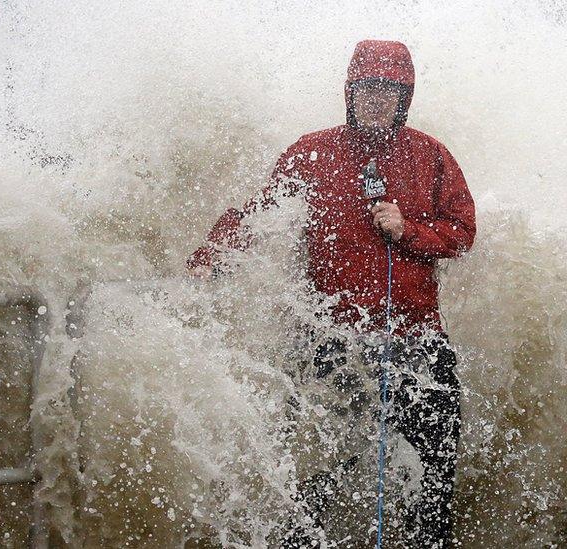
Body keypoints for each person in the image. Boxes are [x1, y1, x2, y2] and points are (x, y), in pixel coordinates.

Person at [187, 39, 476, 548]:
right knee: (315, 469)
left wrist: (407, 228)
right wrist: (211, 257)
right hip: (330, 342)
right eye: (366, 89)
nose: (376, 100)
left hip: (414, 342)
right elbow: (260, 215)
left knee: (433, 477)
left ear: (404, 98)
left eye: (389, 91)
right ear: (350, 92)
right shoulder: (311, 151)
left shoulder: (431, 156)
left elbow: (462, 232)